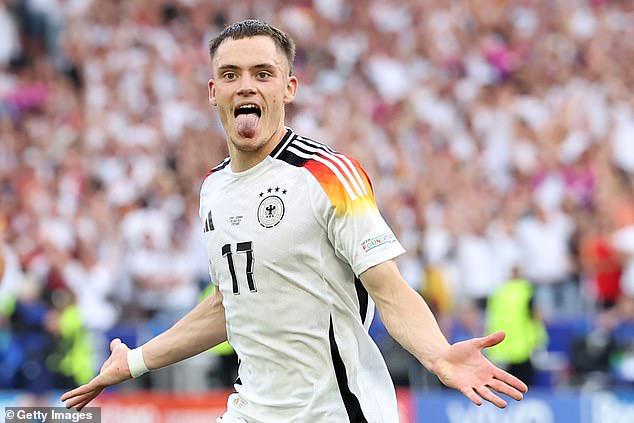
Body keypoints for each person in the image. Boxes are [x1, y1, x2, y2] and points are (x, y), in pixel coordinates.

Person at [61, 19, 528, 422]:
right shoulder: (213, 190)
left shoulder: (328, 175)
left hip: (335, 412)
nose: (246, 85)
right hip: (251, 410)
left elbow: (388, 288)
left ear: (289, 88)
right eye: (231, 74)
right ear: (213, 92)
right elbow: (229, 304)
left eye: (263, 73)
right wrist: (135, 362)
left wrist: (438, 354)